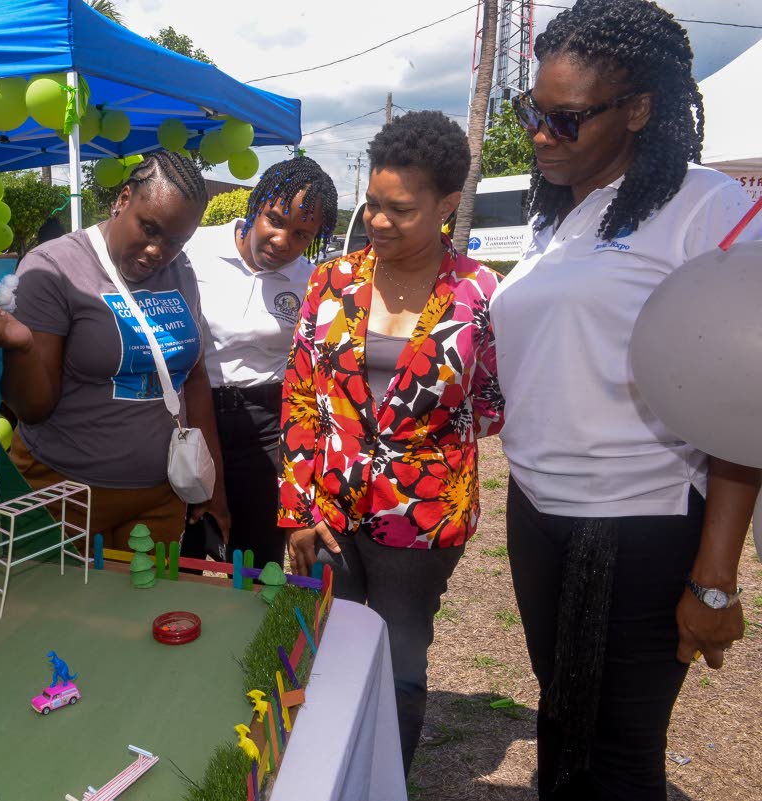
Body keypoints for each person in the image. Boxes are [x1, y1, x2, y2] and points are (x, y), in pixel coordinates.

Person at [490, 2, 762, 799]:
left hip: (639, 518)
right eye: (531, 109)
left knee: (619, 748)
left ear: (640, 109)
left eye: (565, 119)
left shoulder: (709, 208)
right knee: (562, 714)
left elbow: (747, 394)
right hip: (538, 507)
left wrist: (715, 578)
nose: (540, 132)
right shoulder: (558, 215)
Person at [279, 111, 504, 775]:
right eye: (372, 204)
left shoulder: (479, 294)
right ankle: (322, 775)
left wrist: (420, 448)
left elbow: (490, 404)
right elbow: (299, 394)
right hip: (328, 513)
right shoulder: (331, 281)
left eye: (400, 210)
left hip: (423, 521)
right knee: (325, 648)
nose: (378, 221)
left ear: (447, 204)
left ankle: (384, 780)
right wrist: (296, 504)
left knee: (401, 658)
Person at [0, 151, 229, 550]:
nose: (158, 251)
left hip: (162, 496)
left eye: (176, 240)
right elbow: (34, 409)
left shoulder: (180, 271)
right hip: (65, 496)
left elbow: (196, 379)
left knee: (146, 609)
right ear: (122, 199)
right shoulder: (53, 266)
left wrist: (214, 484)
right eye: (149, 229)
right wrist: (23, 348)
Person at [183, 157, 337, 568]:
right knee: (184, 551)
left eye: (303, 234)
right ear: (257, 204)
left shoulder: (311, 281)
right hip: (189, 417)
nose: (283, 241)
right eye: (275, 219)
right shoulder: (193, 248)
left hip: (265, 428)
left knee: (255, 560)